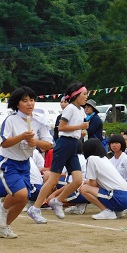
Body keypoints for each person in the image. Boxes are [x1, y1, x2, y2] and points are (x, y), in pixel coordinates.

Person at [0, 86, 53, 238]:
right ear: (17, 104)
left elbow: (49, 145)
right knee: (21, 194)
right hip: (9, 162)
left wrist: (35, 142)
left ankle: (4, 227)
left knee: (23, 199)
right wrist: (22, 136)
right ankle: (2, 208)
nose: (30, 104)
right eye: (25, 101)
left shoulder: (39, 121)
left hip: (25, 163)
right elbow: (4, 143)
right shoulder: (11, 120)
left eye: (32, 100)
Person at [28, 82, 88, 223]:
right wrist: (79, 127)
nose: (86, 96)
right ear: (76, 95)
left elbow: (74, 129)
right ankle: (35, 208)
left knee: (78, 180)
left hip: (73, 145)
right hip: (64, 144)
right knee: (53, 179)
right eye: (84, 94)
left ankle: (57, 201)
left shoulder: (80, 110)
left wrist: (80, 132)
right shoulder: (70, 109)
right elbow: (61, 127)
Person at [78, 138, 127, 219]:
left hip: (119, 197)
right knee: (90, 186)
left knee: (84, 189)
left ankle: (107, 211)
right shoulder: (105, 159)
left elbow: (92, 184)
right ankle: (117, 211)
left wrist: (84, 183)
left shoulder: (92, 159)